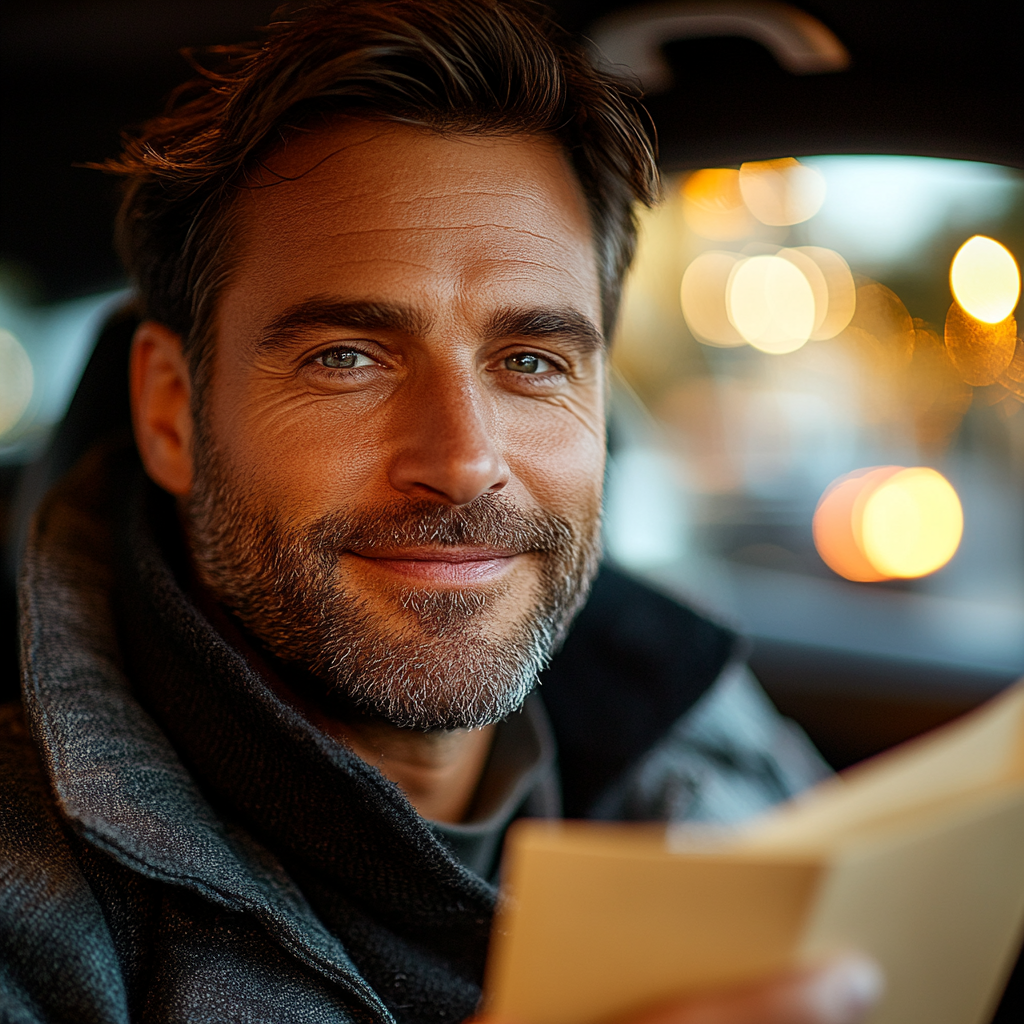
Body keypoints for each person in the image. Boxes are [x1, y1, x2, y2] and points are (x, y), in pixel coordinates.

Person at [0, 2, 883, 1021]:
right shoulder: (34, 912)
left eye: (531, 362)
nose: (463, 461)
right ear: (172, 413)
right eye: (347, 357)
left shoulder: (694, 722)